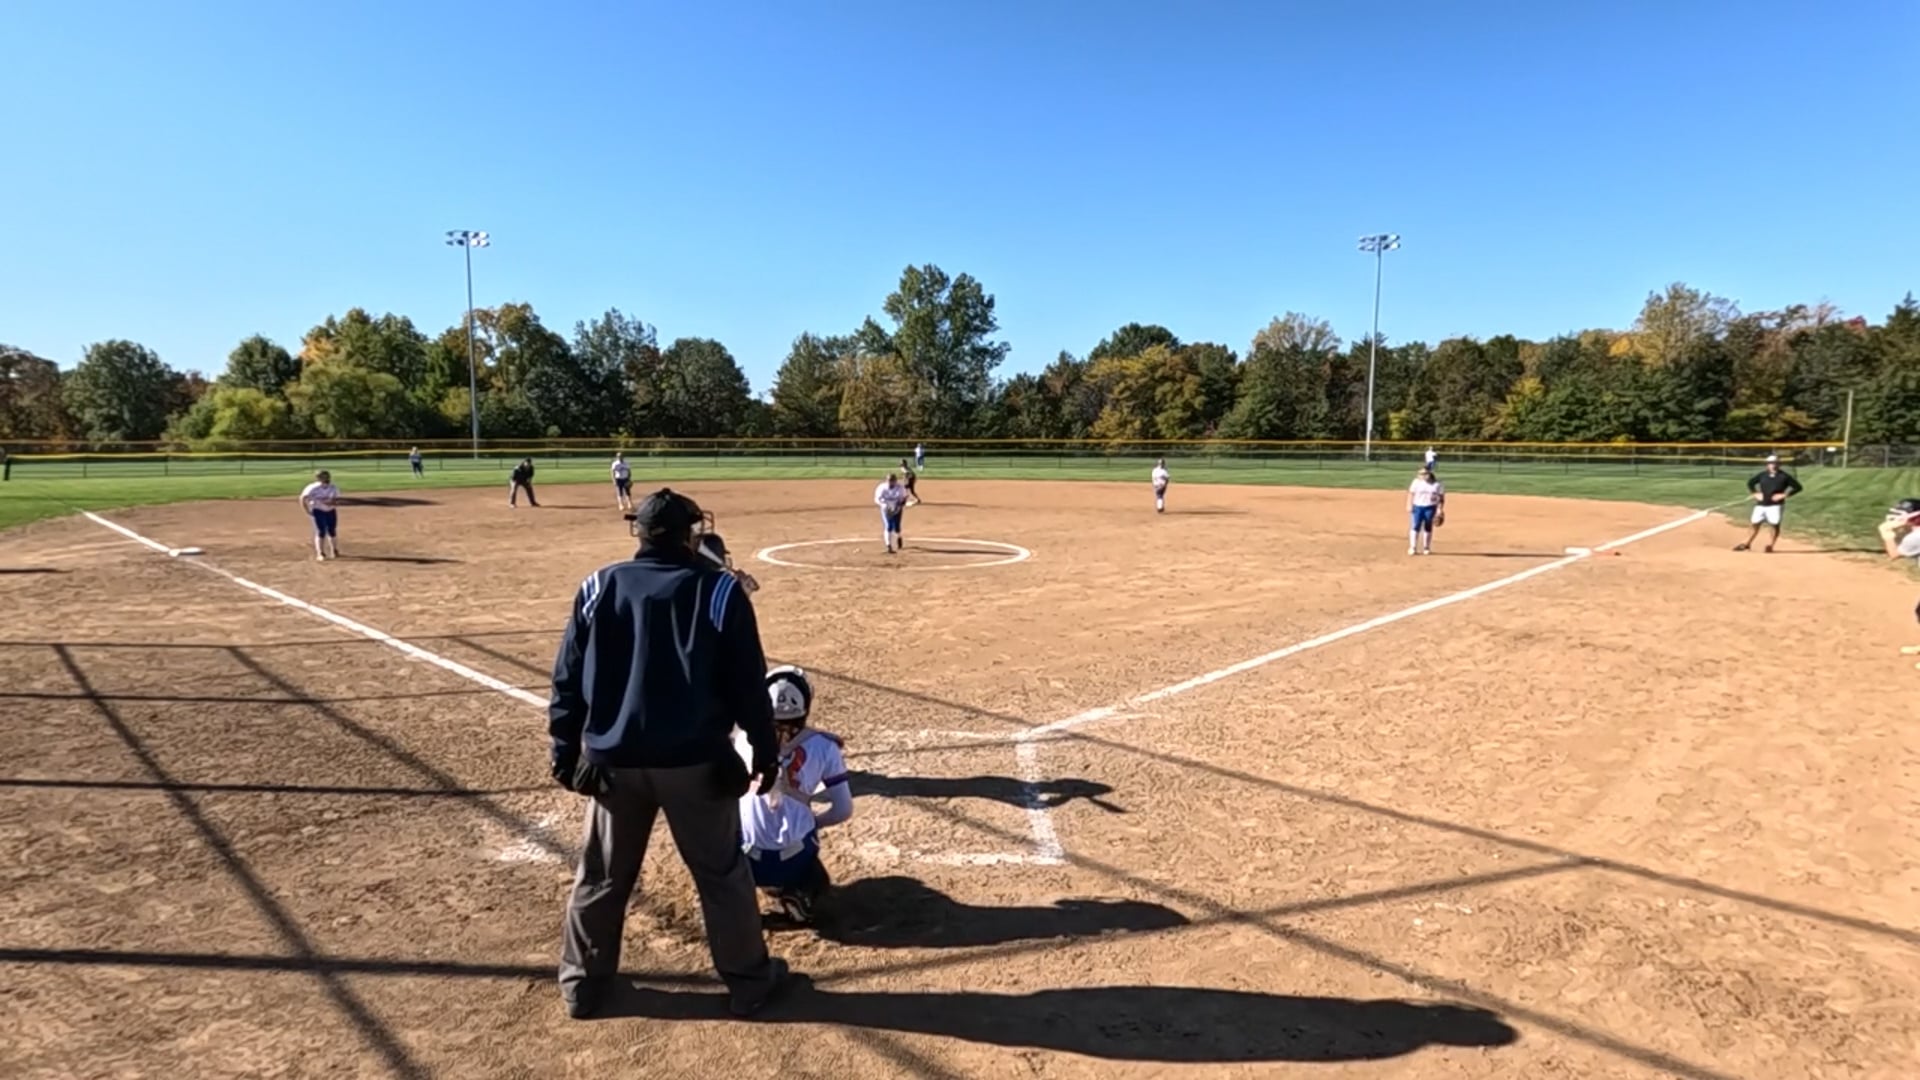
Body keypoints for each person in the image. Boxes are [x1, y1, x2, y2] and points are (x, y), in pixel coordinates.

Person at [548, 487, 792, 1021]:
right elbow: (747, 682)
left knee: (602, 877)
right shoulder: (719, 590)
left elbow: (567, 678)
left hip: (613, 764)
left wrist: (564, 750)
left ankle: (583, 986)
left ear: (639, 533)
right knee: (722, 876)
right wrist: (763, 748)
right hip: (695, 763)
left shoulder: (599, 585)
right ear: (688, 534)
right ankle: (749, 984)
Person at [733, 665, 852, 925]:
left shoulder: (742, 739)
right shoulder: (825, 746)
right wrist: (814, 822)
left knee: (729, 824)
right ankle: (801, 893)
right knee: (818, 877)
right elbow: (843, 810)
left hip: (746, 858)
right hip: (794, 859)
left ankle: (733, 900)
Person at [1734, 454, 1802, 553]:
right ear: (1767, 464)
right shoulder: (1762, 475)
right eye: (1770, 463)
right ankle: (1747, 544)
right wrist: (1755, 493)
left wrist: (1784, 495)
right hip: (1761, 504)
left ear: (1779, 464)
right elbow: (1750, 483)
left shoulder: (1784, 476)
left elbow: (1798, 487)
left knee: (1774, 525)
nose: (1773, 465)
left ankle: (1770, 545)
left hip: (1775, 505)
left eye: (1775, 463)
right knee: (1755, 523)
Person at [299, 470, 341, 562]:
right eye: (323, 477)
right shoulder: (312, 488)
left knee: (332, 530)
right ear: (318, 478)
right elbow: (303, 498)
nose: (326, 478)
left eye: (327, 476)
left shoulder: (333, 487)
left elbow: (337, 500)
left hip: (331, 511)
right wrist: (307, 510)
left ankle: (334, 550)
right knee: (321, 531)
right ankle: (320, 553)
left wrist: (332, 503)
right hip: (318, 511)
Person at [1407, 465, 1445, 556]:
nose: (1422, 475)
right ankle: (1413, 547)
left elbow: (1441, 498)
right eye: (1420, 474)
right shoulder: (1416, 482)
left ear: (1429, 473)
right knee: (1415, 526)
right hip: (1417, 507)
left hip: (1430, 507)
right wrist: (1409, 504)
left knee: (1428, 526)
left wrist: (1440, 509)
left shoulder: (1437, 484)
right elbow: (1411, 493)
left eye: (1424, 473)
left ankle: (1426, 548)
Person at [875, 473, 909, 554]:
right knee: (888, 526)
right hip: (886, 509)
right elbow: (877, 499)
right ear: (886, 481)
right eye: (889, 481)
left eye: (892, 481)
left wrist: (899, 506)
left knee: (897, 527)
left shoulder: (900, 488)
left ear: (895, 481)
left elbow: (904, 498)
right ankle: (889, 546)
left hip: (897, 508)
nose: (891, 483)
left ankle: (899, 537)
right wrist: (884, 506)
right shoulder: (881, 488)